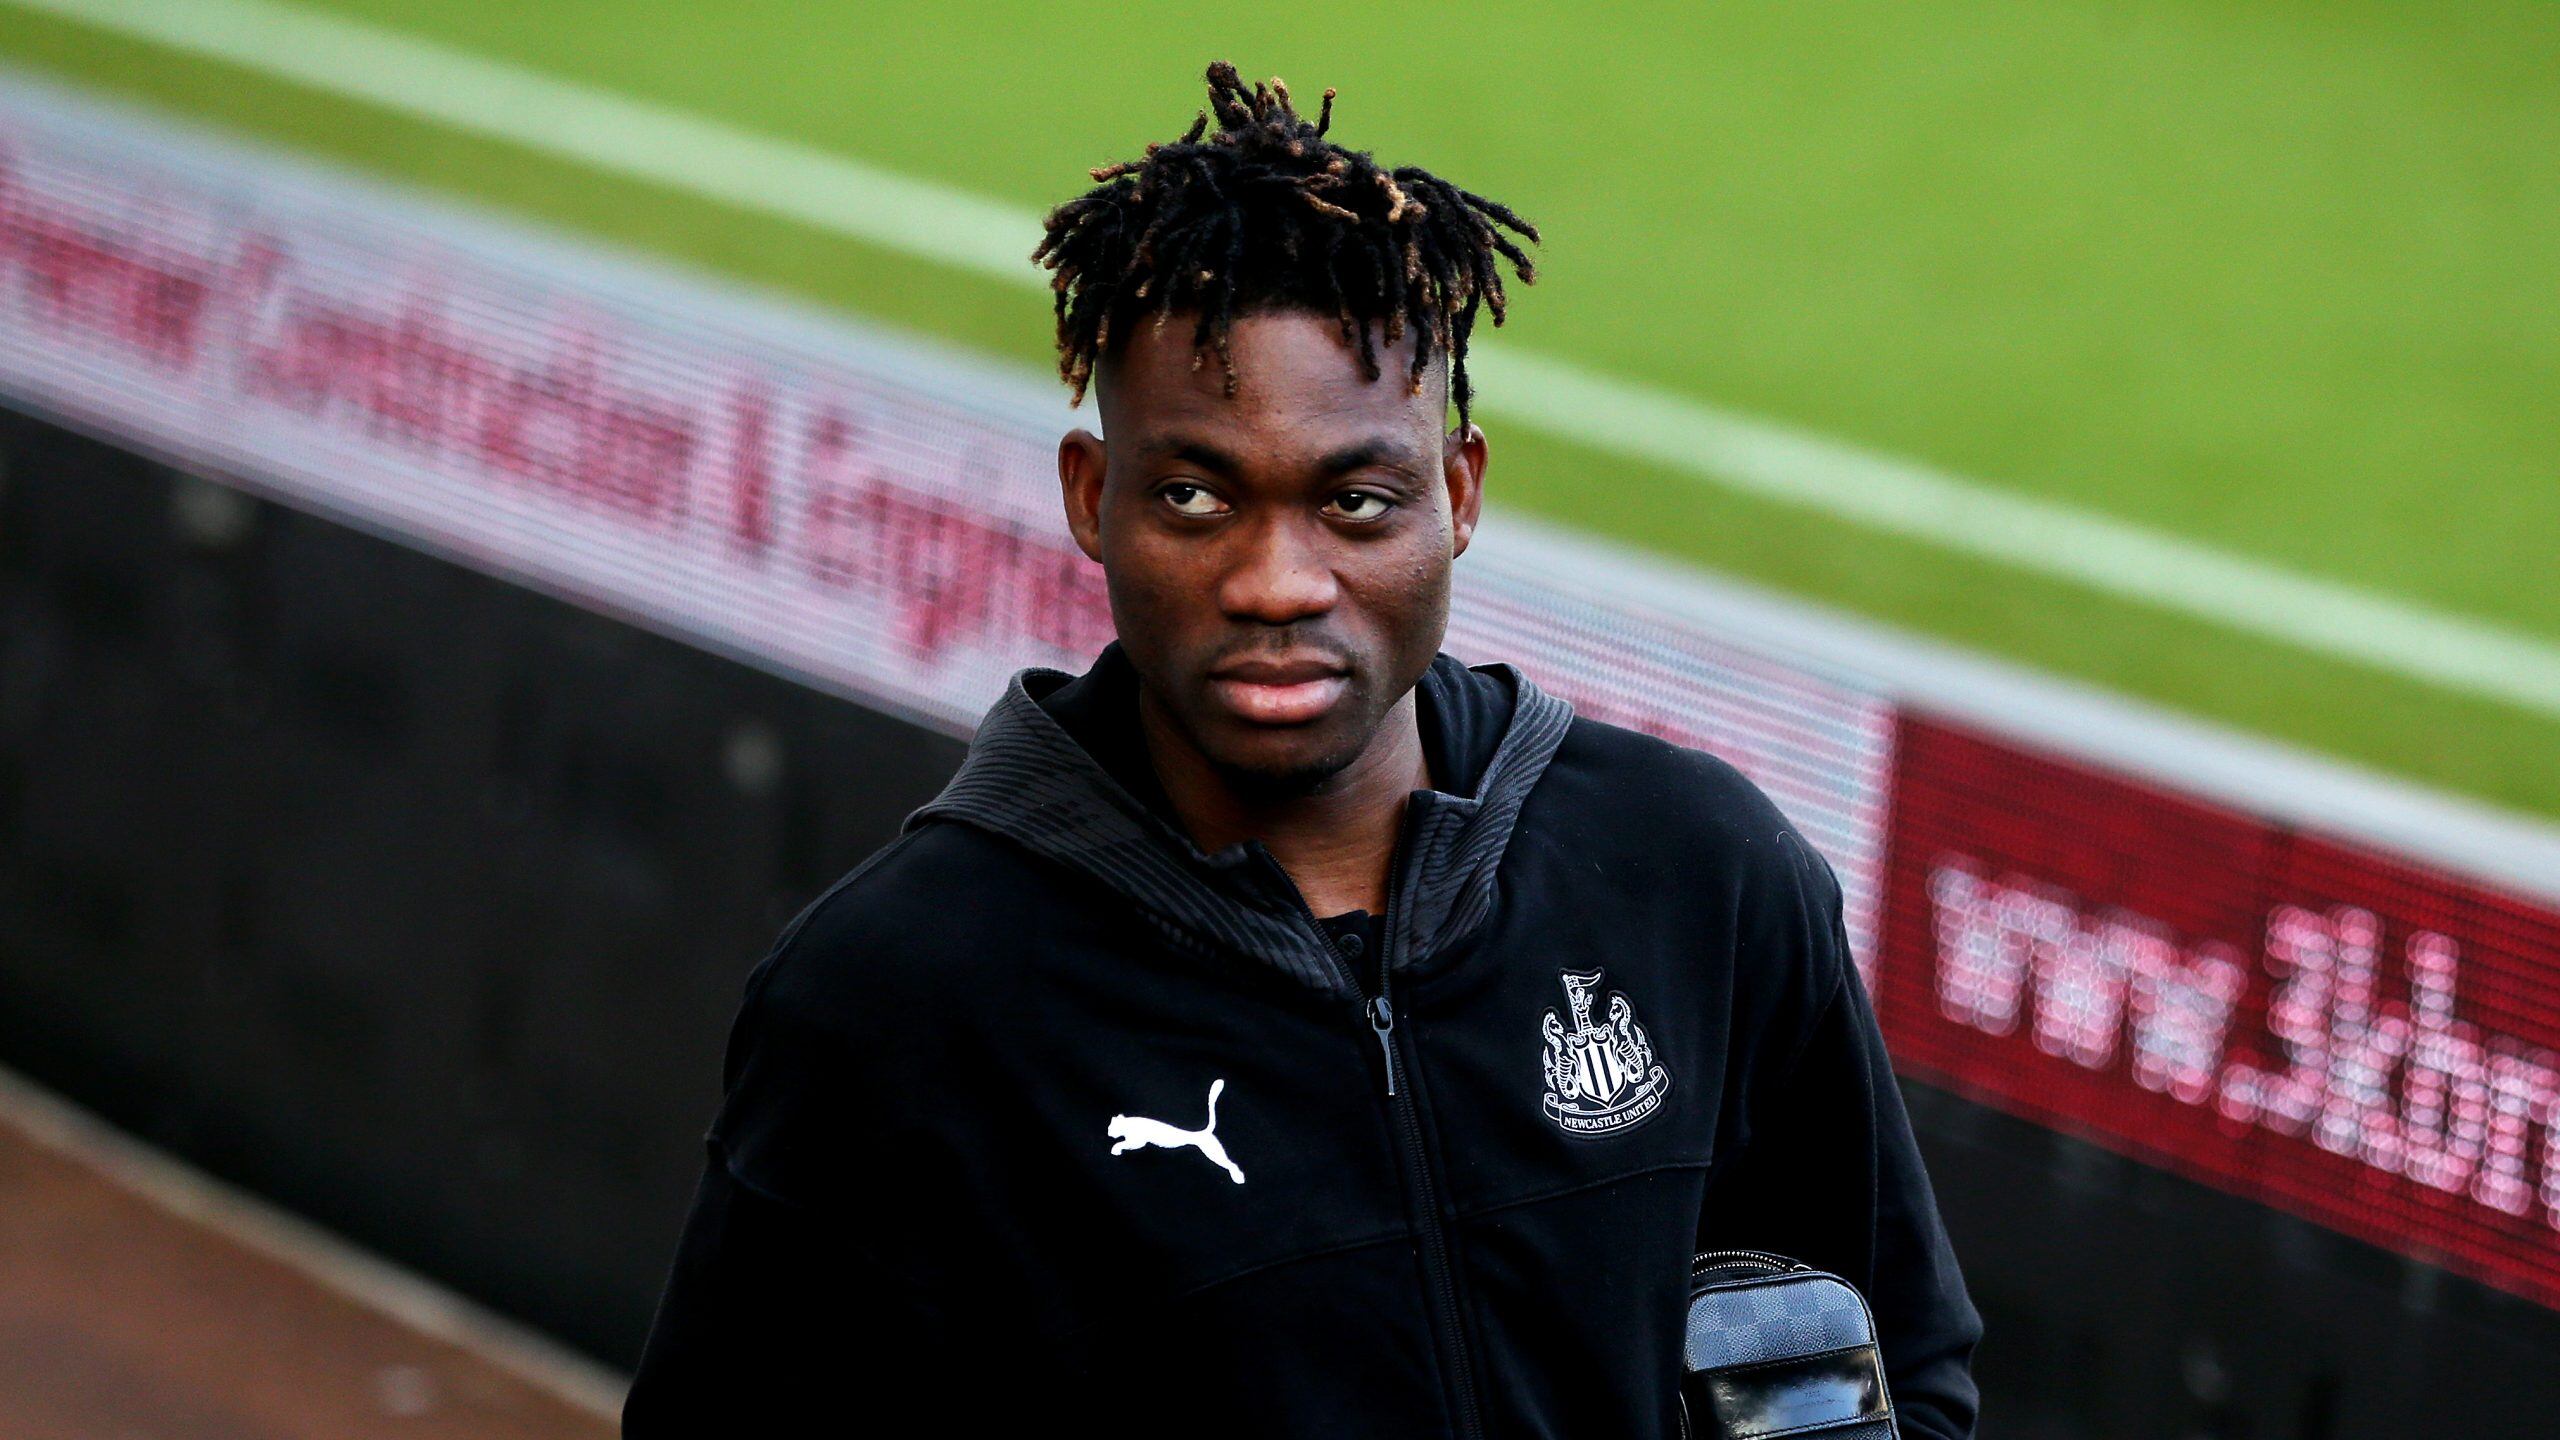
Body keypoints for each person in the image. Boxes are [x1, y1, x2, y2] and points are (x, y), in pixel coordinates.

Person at [624, 61, 1982, 1439]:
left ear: (1457, 494)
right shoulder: (899, 998)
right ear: (1092, 497)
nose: (1277, 582)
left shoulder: (1697, 873)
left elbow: (1897, 1364)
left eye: (1357, 501)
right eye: (1194, 495)